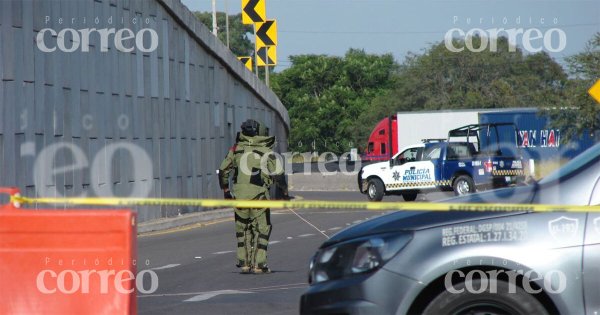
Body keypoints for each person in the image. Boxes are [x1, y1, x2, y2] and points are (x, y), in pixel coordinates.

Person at [218, 119, 281, 274]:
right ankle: (259, 264)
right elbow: (278, 174)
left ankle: (244, 263)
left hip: (239, 197)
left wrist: (226, 190)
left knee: (243, 230)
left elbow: (222, 170)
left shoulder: (235, 149)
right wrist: (283, 192)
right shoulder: (267, 151)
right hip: (260, 197)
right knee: (262, 230)